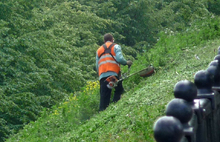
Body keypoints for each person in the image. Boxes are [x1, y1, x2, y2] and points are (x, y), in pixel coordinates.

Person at [96, 33, 132, 111]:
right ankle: (115, 106)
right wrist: (126, 63)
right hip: (113, 73)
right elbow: (119, 59)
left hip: (102, 75)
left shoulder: (99, 50)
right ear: (112, 39)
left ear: (104, 41)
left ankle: (102, 112)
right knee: (119, 89)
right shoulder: (115, 46)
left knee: (104, 96)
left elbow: (97, 65)